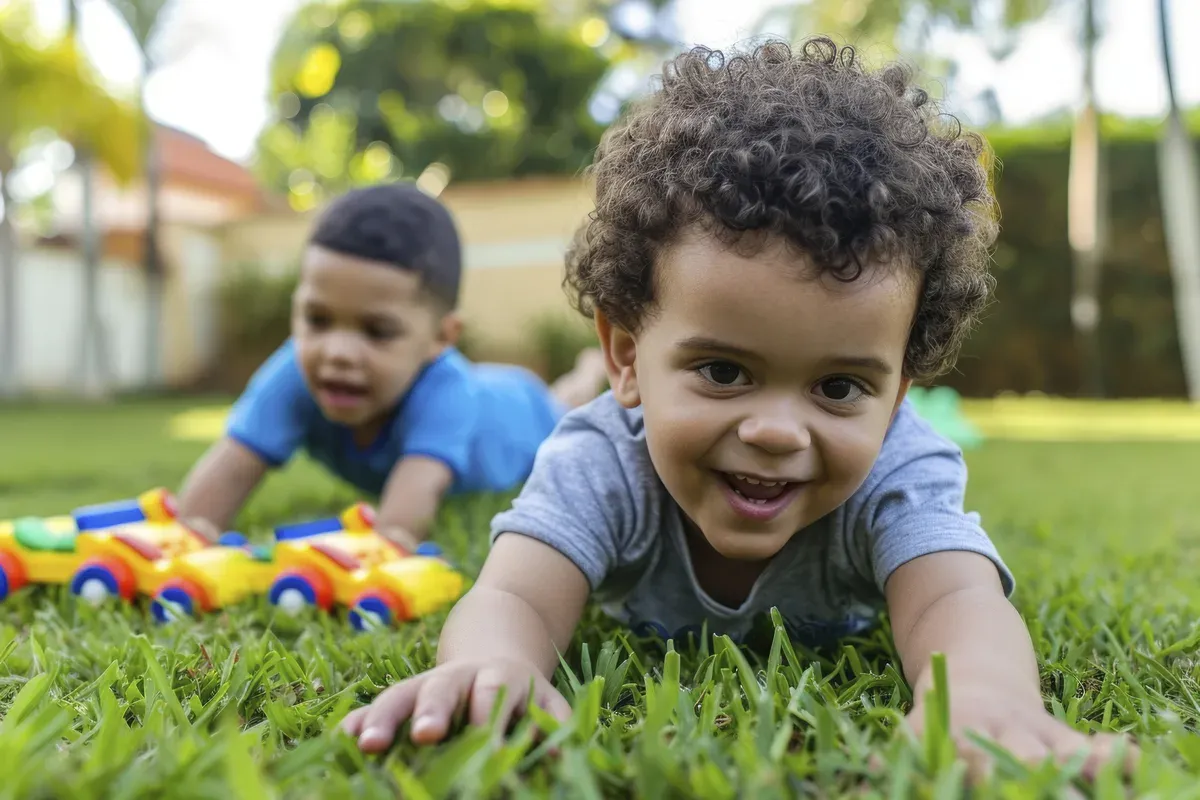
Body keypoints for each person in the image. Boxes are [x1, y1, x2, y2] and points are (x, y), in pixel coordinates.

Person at [339, 38, 1135, 779]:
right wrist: (494, 663)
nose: (777, 431)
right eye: (723, 371)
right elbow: (514, 595)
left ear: (896, 396)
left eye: (839, 387)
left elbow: (955, 597)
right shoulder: (600, 460)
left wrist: (983, 699)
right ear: (628, 355)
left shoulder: (898, 468)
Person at [176, 182, 608, 550]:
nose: (337, 352)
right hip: (488, 393)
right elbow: (224, 476)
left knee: (563, 406)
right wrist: (185, 540)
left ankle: (587, 372)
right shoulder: (292, 371)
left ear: (440, 337)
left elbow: (397, 531)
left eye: (377, 331)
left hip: (516, 411)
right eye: (317, 320)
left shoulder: (446, 392)